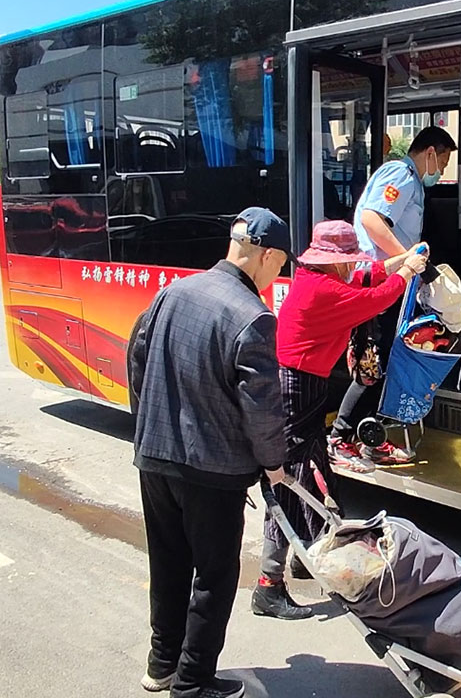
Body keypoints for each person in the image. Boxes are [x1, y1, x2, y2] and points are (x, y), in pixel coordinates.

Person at [128, 207, 293, 698]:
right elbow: (261, 408)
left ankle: (162, 665)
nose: (278, 274)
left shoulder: (173, 292)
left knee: (168, 563)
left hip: (155, 458)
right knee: (215, 577)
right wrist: (274, 463)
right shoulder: (253, 317)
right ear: (267, 256)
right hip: (213, 471)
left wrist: (149, 422)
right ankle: (193, 683)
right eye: (281, 264)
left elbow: (137, 359)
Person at [252, 220, 427, 620]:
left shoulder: (317, 278)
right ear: (333, 261)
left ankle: (311, 555)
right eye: (348, 259)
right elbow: (377, 297)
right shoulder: (324, 290)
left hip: (303, 382)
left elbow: (369, 275)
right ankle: (268, 584)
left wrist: (403, 257)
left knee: (314, 471)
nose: (353, 265)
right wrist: (407, 270)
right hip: (295, 385)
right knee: (291, 480)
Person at [329, 126, 457, 464]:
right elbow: (371, 220)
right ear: (430, 152)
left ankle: (367, 437)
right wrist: (408, 259)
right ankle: (340, 437)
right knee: (372, 364)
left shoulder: (409, 179)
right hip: (379, 281)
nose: (441, 171)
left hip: (390, 280)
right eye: (443, 162)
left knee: (382, 361)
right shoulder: (401, 174)